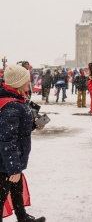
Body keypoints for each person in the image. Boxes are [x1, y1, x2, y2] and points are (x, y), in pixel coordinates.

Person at [0, 64, 46, 222]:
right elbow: (6, 139)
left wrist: (34, 124)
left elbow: (17, 129)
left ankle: (22, 217)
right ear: (18, 82)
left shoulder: (17, 100)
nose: (29, 82)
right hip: (5, 163)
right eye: (27, 80)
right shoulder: (11, 105)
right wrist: (13, 168)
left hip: (12, 160)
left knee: (17, 189)